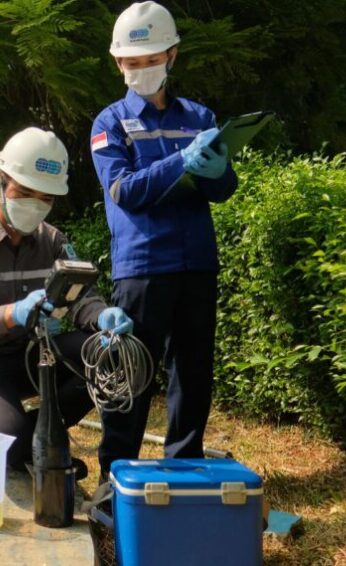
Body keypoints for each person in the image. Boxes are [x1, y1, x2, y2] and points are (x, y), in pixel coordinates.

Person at [89, 1, 238, 479]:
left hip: (196, 260)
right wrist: (180, 163)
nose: (141, 70)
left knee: (192, 374)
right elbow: (124, 191)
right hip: (142, 266)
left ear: (172, 56)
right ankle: (116, 478)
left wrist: (219, 171)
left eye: (150, 60)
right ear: (117, 63)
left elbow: (222, 189)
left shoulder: (199, 116)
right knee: (130, 371)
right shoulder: (108, 124)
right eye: (131, 63)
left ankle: (184, 471)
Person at [0, 126, 134, 469]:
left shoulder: (53, 241)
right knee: (6, 445)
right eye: (26, 193)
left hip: (30, 357)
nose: (36, 206)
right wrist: (11, 313)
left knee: (110, 354)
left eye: (46, 199)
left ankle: (37, 430)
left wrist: (101, 316)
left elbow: (82, 297)